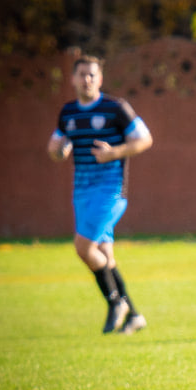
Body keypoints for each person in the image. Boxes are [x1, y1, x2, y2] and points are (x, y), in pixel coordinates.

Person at [47, 55, 153, 335]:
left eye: (92, 75)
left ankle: (114, 302)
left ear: (100, 78)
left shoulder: (116, 108)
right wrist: (59, 150)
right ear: (72, 79)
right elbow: (54, 146)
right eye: (82, 74)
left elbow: (145, 139)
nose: (87, 79)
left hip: (111, 191)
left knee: (83, 247)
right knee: (105, 254)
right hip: (81, 191)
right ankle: (133, 315)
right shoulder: (68, 112)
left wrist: (114, 153)